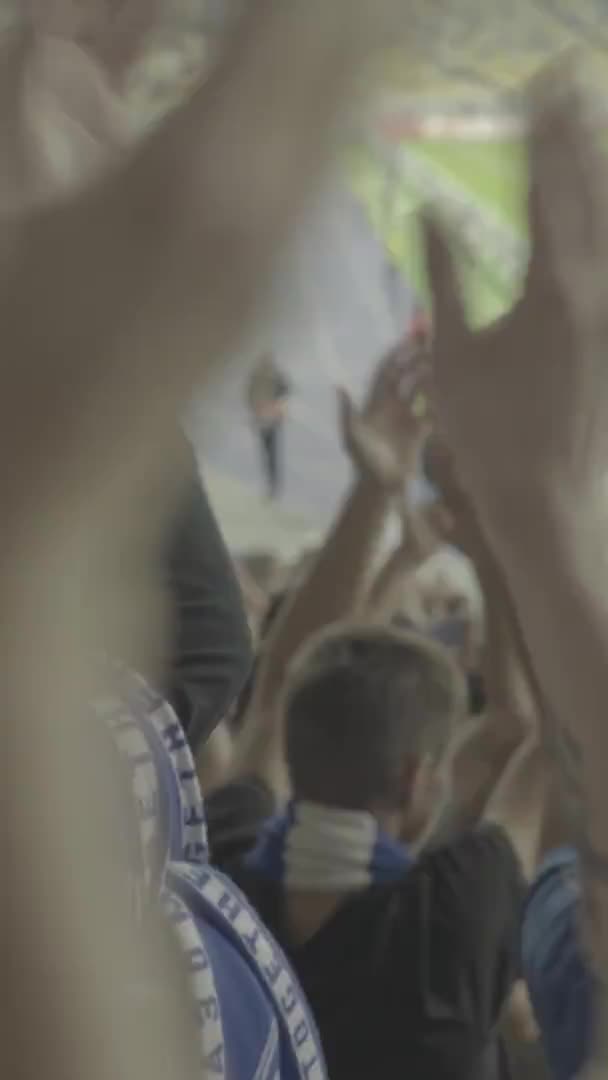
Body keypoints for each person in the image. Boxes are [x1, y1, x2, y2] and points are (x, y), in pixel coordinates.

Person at [231, 622, 549, 1080]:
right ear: (415, 779)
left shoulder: (218, 877)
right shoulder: (453, 916)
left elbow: (268, 692)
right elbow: (543, 738)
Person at [247, 354, 291, 499]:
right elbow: (250, 395)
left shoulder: (275, 377)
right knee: (266, 452)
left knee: (271, 453)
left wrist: (279, 406)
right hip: (263, 418)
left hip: (272, 418)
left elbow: (285, 391)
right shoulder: (257, 376)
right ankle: (270, 485)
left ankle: (273, 487)